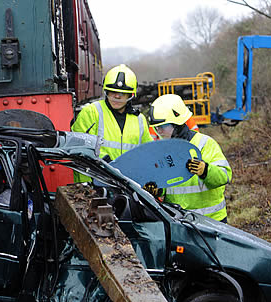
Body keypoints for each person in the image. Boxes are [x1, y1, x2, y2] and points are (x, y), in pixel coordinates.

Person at [148, 93, 231, 222]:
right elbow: (168, 184)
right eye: (157, 127)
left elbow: (224, 176)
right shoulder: (162, 150)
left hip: (212, 221)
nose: (159, 131)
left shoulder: (204, 144)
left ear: (178, 124)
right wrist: (158, 190)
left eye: (163, 126)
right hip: (180, 223)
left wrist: (206, 171)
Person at [71, 64, 152, 168]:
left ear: (130, 95)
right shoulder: (91, 112)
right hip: (94, 179)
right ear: (106, 91)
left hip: (127, 180)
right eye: (113, 92)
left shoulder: (139, 119)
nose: (117, 96)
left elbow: (148, 151)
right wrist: (105, 162)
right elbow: (77, 145)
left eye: (122, 93)